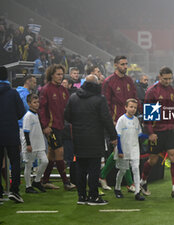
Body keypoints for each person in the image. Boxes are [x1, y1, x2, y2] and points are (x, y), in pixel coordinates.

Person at [64, 74, 117, 205]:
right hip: (95, 138)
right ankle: (93, 196)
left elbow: (67, 116)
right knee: (94, 169)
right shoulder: (99, 99)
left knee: (81, 168)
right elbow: (106, 119)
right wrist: (113, 136)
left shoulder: (73, 97)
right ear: (95, 84)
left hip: (78, 138)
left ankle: (81, 196)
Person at [140, 66, 174, 198]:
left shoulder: (172, 90)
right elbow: (147, 115)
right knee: (152, 160)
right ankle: (143, 182)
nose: (168, 81)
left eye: (170, 78)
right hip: (157, 132)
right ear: (159, 77)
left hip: (170, 131)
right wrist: (151, 133)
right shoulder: (152, 91)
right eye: (165, 79)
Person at [100, 56, 138, 191]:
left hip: (129, 121)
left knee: (119, 152)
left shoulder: (129, 81)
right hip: (116, 122)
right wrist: (112, 121)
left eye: (126, 64)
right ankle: (129, 183)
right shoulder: (108, 82)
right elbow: (106, 104)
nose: (125, 66)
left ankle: (102, 176)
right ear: (116, 65)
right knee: (122, 151)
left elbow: (135, 99)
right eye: (122, 64)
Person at [39, 64, 75, 190]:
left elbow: (68, 107)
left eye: (61, 74)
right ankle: (66, 182)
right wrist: (45, 126)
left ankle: (45, 180)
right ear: (51, 75)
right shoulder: (46, 89)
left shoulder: (63, 90)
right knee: (59, 151)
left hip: (61, 125)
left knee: (52, 155)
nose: (60, 77)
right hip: (51, 127)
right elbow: (42, 109)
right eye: (58, 74)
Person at [0, 66, 26, 203]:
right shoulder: (13, 93)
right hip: (11, 131)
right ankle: (14, 191)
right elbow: (21, 112)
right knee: (15, 162)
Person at [114, 99, 146, 201]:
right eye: (131, 107)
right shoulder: (121, 120)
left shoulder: (136, 120)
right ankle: (117, 188)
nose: (133, 109)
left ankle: (137, 192)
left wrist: (149, 136)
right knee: (123, 170)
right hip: (124, 149)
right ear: (126, 107)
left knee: (136, 169)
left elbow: (140, 135)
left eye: (135, 107)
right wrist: (120, 151)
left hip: (135, 149)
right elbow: (118, 136)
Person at [22, 94, 48, 194]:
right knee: (28, 165)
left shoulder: (36, 114)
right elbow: (26, 131)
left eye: (37, 102)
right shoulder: (27, 116)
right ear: (29, 104)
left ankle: (37, 181)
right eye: (34, 102)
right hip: (31, 145)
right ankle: (28, 186)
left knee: (45, 161)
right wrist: (28, 144)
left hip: (39, 144)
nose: (37, 104)